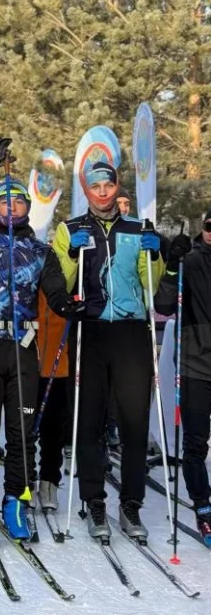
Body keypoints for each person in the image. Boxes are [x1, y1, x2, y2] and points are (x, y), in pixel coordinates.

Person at [0, 138, 83, 541]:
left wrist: (69, 306)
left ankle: (16, 501)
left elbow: (56, 293)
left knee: (23, 434)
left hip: (24, 348)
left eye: (18, 202)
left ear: (26, 208)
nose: (10, 208)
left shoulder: (40, 252)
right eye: (4, 202)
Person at [52, 159, 163, 540]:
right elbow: (61, 285)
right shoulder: (70, 230)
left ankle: (131, 505)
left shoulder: (138, 228)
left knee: (134, 423)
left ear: (117, 187)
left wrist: (156, 254)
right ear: (86, 190)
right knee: (89, 421)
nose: (102, 191)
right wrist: (70, 256)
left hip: (132, 332)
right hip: (91, 330)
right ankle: (94, 502)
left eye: (108, 185)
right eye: (95, 186)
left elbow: (152, 286)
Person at [154, 214, 211, 546]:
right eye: (208, 227)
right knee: (195, 443)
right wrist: (173, 264)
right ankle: (203, 509)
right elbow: (163, 303)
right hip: (197, 363)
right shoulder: (189, 260)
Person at [35, 286, 71, 513]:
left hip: (60, 354)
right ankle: (24, 478)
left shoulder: (67, 257)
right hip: (30, 352)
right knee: (24, 425)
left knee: (54, 426)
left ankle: (49, 481)